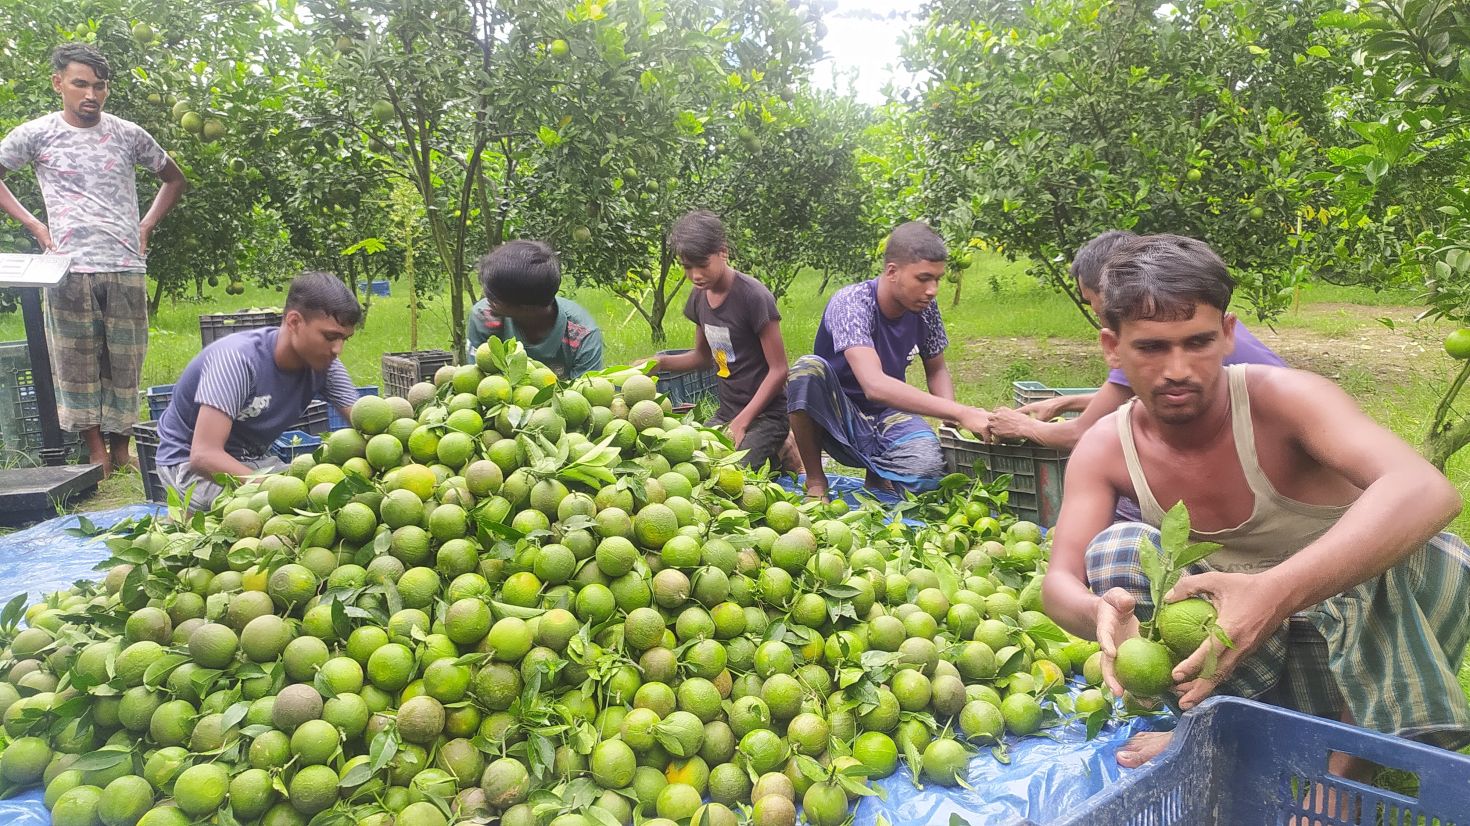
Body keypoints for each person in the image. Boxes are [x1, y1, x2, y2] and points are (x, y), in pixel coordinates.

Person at [1043, 234, 1470, 776]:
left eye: (1197, 342)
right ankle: (1217, 729)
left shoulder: (1286, 399)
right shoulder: (1106, 446)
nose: (1177, 368)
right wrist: (1100, 615)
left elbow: (1428, 489)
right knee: (1120, 549)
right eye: (1151, 347)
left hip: (1349, 669)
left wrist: (1272, 594)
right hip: (1236, 667)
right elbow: (1058, 583)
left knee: (1426, 550)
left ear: (1227, 334)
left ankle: (1347, 769)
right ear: (1112, 348)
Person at [0, 43, 188, 475]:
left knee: (125, 359)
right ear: (58, 84)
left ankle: (122, 445)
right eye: (80, 84)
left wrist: (145, 226)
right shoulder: (37, 133)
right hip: (68, 267)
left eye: (99, 86)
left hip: (124, 264)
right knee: (76, 361)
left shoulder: (127, 134)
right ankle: (95, 450)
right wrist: (35, 226)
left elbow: (174, 179)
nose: (90, 94)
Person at [989, 229, 1285, 451]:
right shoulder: (1195, 315)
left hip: (1264, 447)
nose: (1093, 309)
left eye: (1089, 299)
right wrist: (1066, 402)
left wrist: (1023, 426)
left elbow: (1082, 434)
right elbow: (1149, 396)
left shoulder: (1149, 332)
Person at [787, 221, 992, 500]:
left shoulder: (925, 309)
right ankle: (815, 480)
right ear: (892, 272)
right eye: (923, 278)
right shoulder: (851, 303)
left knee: (929, 472)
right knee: (806, 370)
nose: (933, 290)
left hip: (887, 414)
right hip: (838, 415)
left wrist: (949, 420)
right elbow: (873, 385)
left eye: (937, 279)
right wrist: (963, 412)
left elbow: (937, 368)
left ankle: (878, 477)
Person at [155, 272, 363, 508]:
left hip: (253, 460)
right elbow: (203, 456)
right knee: (280, 510)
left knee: (327, 494)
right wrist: (275, 491)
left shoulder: (325, 363)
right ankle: (185, 513)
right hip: (189, 464)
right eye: (330, 337)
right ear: (294, 322)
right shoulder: (238, 360)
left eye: (345, 339)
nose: (338, 349)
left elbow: (365, 423)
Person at [639, 211, 796, 472]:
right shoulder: (699, 297)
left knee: (731, 475)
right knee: (695, 466)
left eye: (702, 264)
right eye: (687, 267)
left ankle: (783, 447)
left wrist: (743, 422)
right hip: (727, 412)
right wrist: (659, 362)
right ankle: (775, 454)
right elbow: (702, 357)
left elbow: (780, 370)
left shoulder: (753, 297)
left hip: (766, 415)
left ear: (723, 252)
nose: (695, 275)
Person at [465, 240, 603, 380]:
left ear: (525, 308)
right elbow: (477, 384)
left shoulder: (582, 336)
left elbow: (587, 396)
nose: (486, 299)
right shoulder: (485, 317)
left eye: (493, 297)